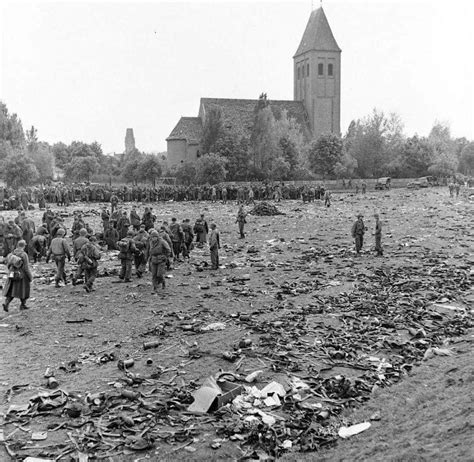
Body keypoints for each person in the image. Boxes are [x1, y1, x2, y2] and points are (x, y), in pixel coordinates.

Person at [3, 240, 32, 312]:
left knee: (11, 291)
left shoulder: (12, 253)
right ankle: (23, 305)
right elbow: (26, 268)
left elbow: (8, 264)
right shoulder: (24, 254)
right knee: (24, 290)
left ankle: (6, 303)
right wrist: (30, 276)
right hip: (21, 275)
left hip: (12, 274)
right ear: (24, 246)